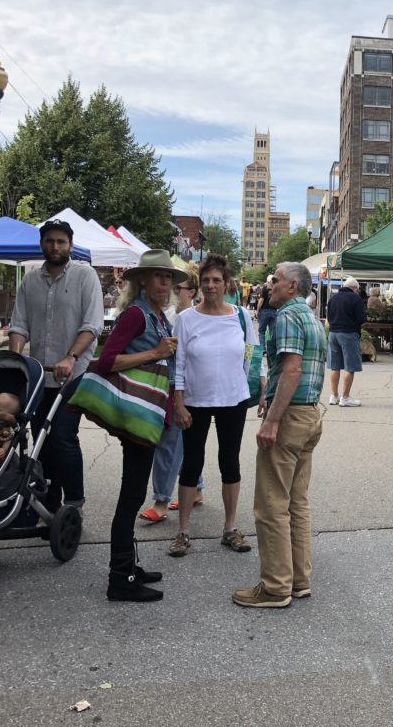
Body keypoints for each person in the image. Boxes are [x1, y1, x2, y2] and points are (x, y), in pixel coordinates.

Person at [232, 261, 326, 608]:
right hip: (310, 414)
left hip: (291, 417)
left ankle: (275, 587)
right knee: (296, 502)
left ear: (293, 287)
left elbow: (292, 368)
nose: (270, 285)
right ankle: (298, 580)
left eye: (276, 280)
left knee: (272, 504)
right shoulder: (312, 317)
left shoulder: (287, 315)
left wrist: (272, 419)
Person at [96, 249, 184, 603]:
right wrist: (154, 353)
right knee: (131, 495)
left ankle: (129, 563)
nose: (165, 283)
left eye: (169, 278)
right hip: (136, 415)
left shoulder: (159, 317)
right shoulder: (135, 315)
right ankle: (120, 577)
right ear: (142, 280)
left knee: (134, 492)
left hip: (151, 414)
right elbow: (106, 361)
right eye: (158, 277)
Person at [9, 220, 102, 512]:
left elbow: (92, 325)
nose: (55, 247)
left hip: (73, 372)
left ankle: (74, 501)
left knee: (62, 434)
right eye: (50, 241)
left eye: (61, 242)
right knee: (41, 438)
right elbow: (19, 324)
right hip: (39, 373)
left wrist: (70, 356)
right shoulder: (30, 281)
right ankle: (48, 496)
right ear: (42, 245)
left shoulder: (85, 276)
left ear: (70, 245)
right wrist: (15, 360)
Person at [169, 255, 256, 558]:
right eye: (206, 280)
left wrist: (243, 387)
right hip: (195, 401)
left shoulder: (242, 316)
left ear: (227, 283)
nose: (211, 285)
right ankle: (183, 532)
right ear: (198, 285)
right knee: (191, 464)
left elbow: (249, 355)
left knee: (229, 462)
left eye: (216, 280)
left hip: (233, 399)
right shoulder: (186, 319)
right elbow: (177, 365)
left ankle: (230, 528)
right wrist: (178, 402)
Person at [138, 264, 202, 523]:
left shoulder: (194, 317)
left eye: (179, 287)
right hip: (169, 384)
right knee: (182, 443)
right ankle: (195, 488)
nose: (173, 291)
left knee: (169, 442)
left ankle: (161, 500)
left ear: (192, 291)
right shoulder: (167, 315)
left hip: (185, 387)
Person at [325, 276, 367, 407]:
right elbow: (362, 319)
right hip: (348, 333)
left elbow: (328, 317)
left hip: (333, 333)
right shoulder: (356, 298)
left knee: (335, 366)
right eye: (357, 289)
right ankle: (345, 397)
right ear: (354, 288)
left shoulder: (333, 298)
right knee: (350, 366)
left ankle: (334, 396)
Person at [257, 275, 278, 347]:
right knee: (272, 331)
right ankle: (271, 348)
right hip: (274, 311)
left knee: (261, 331)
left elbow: (261, 300)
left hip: (264, 311)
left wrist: (257, 310)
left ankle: (262, 348)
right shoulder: (276, 289)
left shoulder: (265, 289)